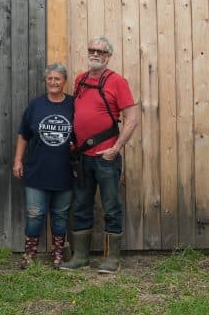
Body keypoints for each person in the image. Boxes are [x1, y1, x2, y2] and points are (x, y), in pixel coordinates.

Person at [60, 36, 138, 274]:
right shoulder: (80, 80)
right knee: (81, 205)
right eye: (92, 50)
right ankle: (81, 256)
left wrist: (115, 149)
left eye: (101, 51)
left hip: (106, 158)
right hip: (82, 157)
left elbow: (131, 119)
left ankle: (111, 259)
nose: (95, 54)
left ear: (108, 56)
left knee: (111, 206)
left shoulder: (118, 82)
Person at [12, 63, 75, 268]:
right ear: (46, 81)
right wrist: (18, 160)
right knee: (35, 214)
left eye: (58, 79)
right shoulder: (36, 105)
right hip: (37, 170)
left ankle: (58, 254)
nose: (54, 82)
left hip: (64, 171)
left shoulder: (73, 105)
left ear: (64, 81)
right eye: (50, 79)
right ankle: (29, 254)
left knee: (60, 215)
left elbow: (81, 133)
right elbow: (23, 135)